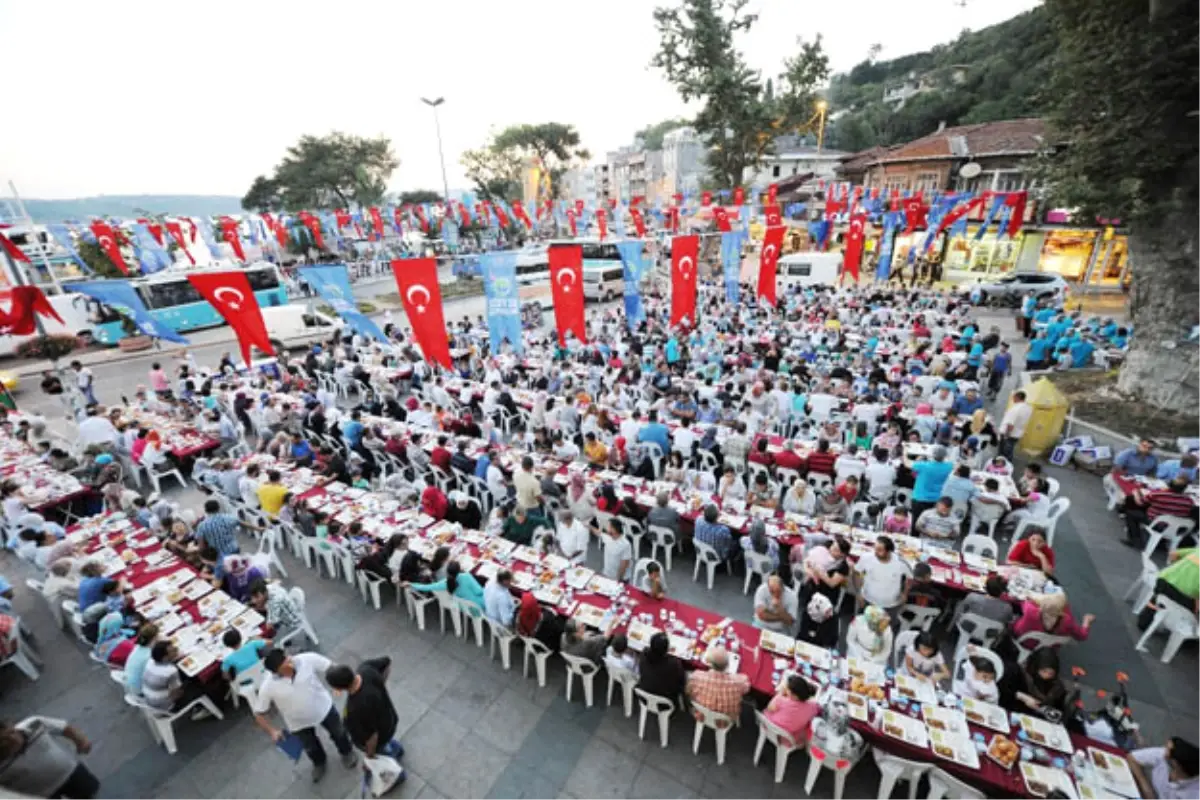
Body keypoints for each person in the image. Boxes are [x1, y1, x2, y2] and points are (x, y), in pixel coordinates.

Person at [253, 649, 357, 783]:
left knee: (339, 733)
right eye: (285, 663)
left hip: (323, 708)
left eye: (287, 658)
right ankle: (319, 763)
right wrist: (272, 731)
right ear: (276, 671)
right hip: (298, 723)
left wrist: (337, 685)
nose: (290, 661)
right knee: (310, 746)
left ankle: (347, 752)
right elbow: (259, 713)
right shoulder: (267, 687)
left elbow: (331, 667)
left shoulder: (307, 659)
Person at [325, 657, 406, 783]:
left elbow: (372, 737)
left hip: (380, 738)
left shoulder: (355, 709)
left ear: (339, 689)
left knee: (383, 751)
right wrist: (380, 683)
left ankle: (395, 772)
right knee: (389, 741)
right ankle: (398, 750)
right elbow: (387, 662)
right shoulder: (366, 669)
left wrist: (370, 757)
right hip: (390, 719)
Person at [0, 716, 97, 799]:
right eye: (4, 740)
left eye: (11, 732)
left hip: (70, 773)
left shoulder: (34, 724)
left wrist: (80, 740)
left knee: (91, 792)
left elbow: (64, 728)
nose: (13, 739)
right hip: (41, 795)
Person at [1122, 476, 1194, 548]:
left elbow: (1140, 503)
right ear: (1184, 489)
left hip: (1156, 523)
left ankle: (1134, 540)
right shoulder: (1189, 501)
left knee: (1131, 513)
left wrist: (1135, 493)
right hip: (1176, 528)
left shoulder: (1158, 494)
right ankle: (1161, 542)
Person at [1001, 646, 1069, 719]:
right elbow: (1004, 692)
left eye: (1051, 674)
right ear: (1035, 667)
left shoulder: (1057, 688)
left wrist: (1046, 710)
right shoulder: (1018, 673)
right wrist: (1023, 697)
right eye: (1044, 671)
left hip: (1037, 722)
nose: (1046, 676)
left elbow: (1058, 711)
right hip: (1014, 715)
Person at [1126, 736, 1200, 800]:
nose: (1163, 753)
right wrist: (1146, 787)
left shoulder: (1195, 794)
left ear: (1177, 766)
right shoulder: (1165, 755)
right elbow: (1132, 757)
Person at [686, 646, 749, 717]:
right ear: (728, 665)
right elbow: (746, 689)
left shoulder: (696, 677)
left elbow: (688, 692)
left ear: (709, 664)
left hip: (701, 714)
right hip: (727, 718)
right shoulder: (739, 682)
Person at [854, 535, 911, 613]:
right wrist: (858, 593)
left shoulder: (901, 562)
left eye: (880, 550)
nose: (875, 552)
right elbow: (856, 572)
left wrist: (905, 594)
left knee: (887, 625)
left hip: (890, 605)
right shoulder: (866, 557)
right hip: (868, 600)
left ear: (889, 552)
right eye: (875, 548)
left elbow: (910, 578)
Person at [763, 674, 820, 746]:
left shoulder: (781, 701)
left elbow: (770, 708)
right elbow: (817, 709)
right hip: (788, 737)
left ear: (794, 695)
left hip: (770, 728)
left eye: (787, 689)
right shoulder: (811, 707)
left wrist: (780, 693)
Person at [1012, 592, 1095, 642]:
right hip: (1047, 646)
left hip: (1022, 641)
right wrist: (1086, 621)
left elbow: (1021, 600)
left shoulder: (1030, 610)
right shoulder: (1067, 621)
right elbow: (1082, 636)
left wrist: (1032, 598)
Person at [637, 632, 688, 700]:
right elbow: (682, 683)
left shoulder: (644, 654)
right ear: (667, 649)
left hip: (644, 693)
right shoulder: (674, 664)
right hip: (665, 700)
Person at [910, 446, 953, 519]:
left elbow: (912, 467)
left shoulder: (922, 465)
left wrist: (918, 459)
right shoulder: (949, 466)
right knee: (930, 522)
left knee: (916, 521)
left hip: (919, 497)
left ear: (932, 455)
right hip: (936, 499)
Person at [998, 390, 1032, 461]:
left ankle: (1002, 466)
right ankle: (1007, 464)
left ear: (1017, 397)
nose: (1013, 399)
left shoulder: (1016, 409)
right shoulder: (1028, 408)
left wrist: (1006, 436)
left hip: (1009, 434)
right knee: (1009, 450)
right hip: (1017, 433)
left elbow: (1010, 424)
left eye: (1014, 397)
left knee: (1003, 453)